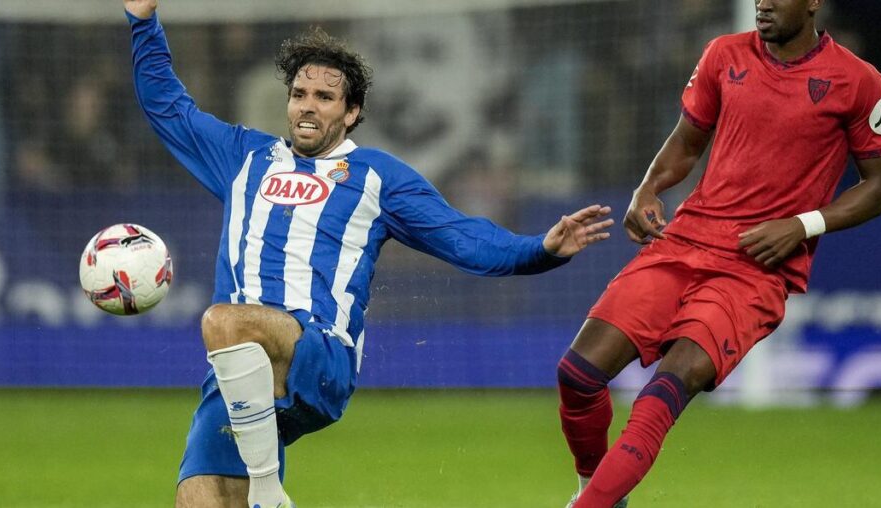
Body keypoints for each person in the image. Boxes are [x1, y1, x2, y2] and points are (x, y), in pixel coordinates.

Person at [121, 1, 615, 507]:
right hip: (238, 377)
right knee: (198, 500)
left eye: (324, 97)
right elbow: (166, 103)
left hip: (318, 353)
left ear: (352, 112)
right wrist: (142, 22)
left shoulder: (377, 177)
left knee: (222, 320)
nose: (307, 106)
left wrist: (541, 249)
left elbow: (460, 235)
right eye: (299, 95)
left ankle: (270, 496)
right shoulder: (244, 157)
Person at [556, 1, 881, 506]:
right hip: (686, 242)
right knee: (578, 375)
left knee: (666, 388)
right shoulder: (723, 54)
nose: (762, 2)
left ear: (813, 2)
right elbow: (686, 143)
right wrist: (648, 187)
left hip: (754, 269)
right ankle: (596, 489)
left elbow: (880, 188)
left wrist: (803, 225)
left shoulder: (859, 82)